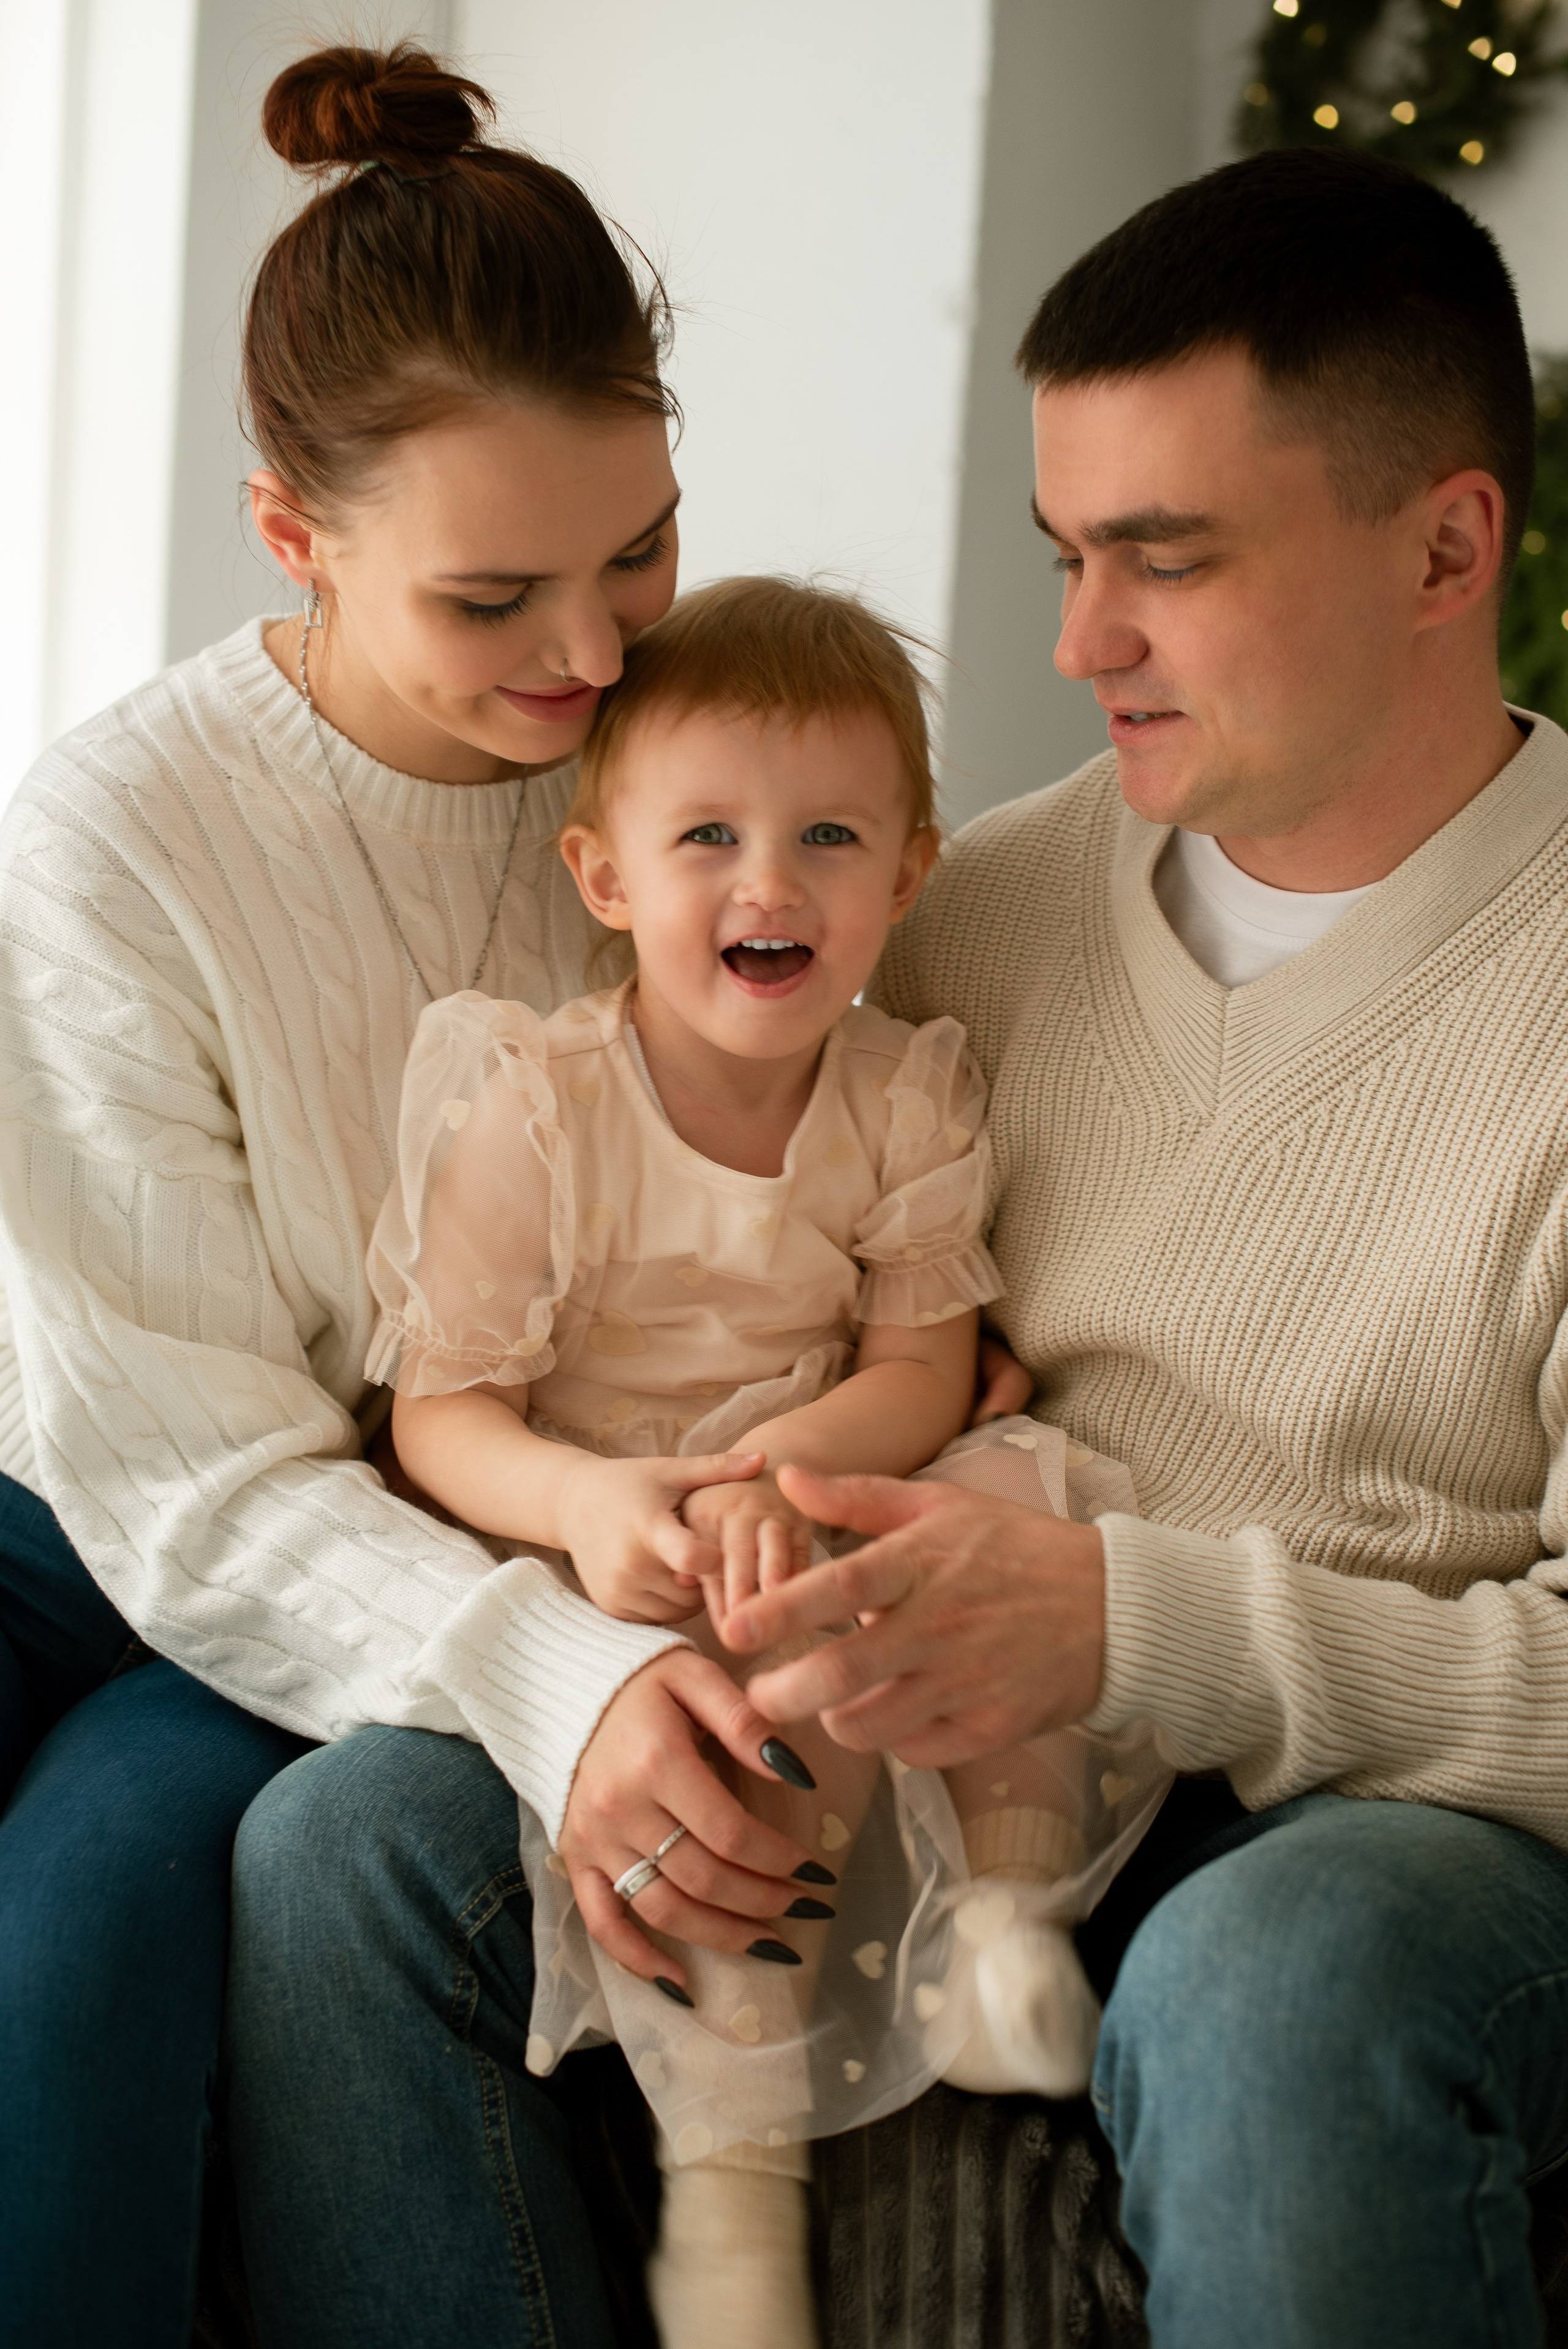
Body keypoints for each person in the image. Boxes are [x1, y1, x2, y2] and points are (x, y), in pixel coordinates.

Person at [0, 39, 904, 2349]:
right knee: (76, 1866)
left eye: (643, 551)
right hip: (134, 1509)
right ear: (293, 536)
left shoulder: (691, 778)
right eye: (496, 598)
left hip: (479, 1518)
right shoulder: (113, 844)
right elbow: (183, 1479)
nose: (594, 657)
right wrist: (556, 1670)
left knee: (119, 1900)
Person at [716, 147, 1568, 2347]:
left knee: (1280, 1960)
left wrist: (1128, 1625)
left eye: (1165, 562)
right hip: (1002, 1776)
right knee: (382, 1847)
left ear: (1446, 546)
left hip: (1425, 1828)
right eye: (1067, 553)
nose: (1078, 641)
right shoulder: (967, 915)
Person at [366, 573, 1165, 2348]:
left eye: (827, 836)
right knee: (737, 1756)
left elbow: (920, 1368)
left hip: (820, 1483)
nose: (769, 882)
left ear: (909, 872)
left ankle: (1008, 1927)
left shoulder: (904, 1095)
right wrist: (591, 1503)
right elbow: (443, 1411)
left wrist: (782, 1471)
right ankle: (732, 2182)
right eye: (708, 834)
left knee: (1032, 1512)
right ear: (606, 877)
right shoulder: (534, 1110)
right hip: (625, 1535)